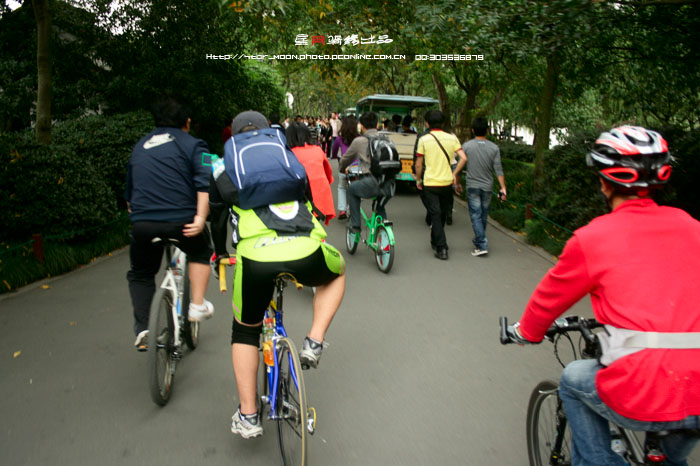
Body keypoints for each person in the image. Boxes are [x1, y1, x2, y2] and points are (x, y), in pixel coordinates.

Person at [508, 126, 700, 466]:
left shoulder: (592, 238)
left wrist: (526, 332)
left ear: (604, 182)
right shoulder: (692, 227)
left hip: (641, 388)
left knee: (573, 379)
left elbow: (547, 301)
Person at [209, 111, 346, 439]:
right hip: (305, 248)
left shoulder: (225, 167)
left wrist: (221, 255)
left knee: (245, 331)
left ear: (235, 137)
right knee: (337, 271)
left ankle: (249, 415)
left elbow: (217, 220)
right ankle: (313, 341)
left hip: (256, 257)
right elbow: (310, 204)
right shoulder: (287, 158)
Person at [125, 96, 214, 351]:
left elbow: (130, 196)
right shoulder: (197, 145)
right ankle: (196, 304)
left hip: (142, 224)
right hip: (181, 223)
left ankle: (143, 329)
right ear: (187, 121)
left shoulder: (140, 146)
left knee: (141, 273)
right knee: (201, 250)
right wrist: (200, 218)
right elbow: (204, 182)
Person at [414, 110, 467, 260]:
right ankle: (435, 240)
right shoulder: (452, 138)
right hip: (446, 183)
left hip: (430, 182)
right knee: (441, 214)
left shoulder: (424, 139)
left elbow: (419, 164)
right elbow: (463, 158)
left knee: (435, 214)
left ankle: (442, 247)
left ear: (427, 123)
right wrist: (454, 173)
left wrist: (418, 180)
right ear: (443, 123)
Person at [339, 111, 392, 233]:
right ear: (378, 124)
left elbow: (345, 160)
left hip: (371, 182)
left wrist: (342, 169)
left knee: (352, 190)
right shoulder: (387, 139)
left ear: (361, 126)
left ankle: (356, 225)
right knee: (380, 205)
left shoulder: (359, 141)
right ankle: (383, 230)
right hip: (390, 184)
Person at [462, 117, 507, 256]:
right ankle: (479, 241)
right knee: (483, 215)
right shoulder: (494, 148)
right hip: (488, 186)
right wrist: (503, 187)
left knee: (475, 215)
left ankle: (481, 244)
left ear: (473, 130)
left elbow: (460, 164)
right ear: (487, 130)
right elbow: (498, 169)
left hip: (472, 185)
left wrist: (456, 181)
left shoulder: (466, 146)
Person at [287, 122, 336, 224]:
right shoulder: (318, 150)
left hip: (299, 201)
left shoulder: (288, 154)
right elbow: (328, 175)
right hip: (319, 201)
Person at [332, 115, 360, 220]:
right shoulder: (360, 137)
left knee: (342, 187)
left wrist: (334, 156)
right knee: (356, 188)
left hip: (344, 167)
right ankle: (354, 209)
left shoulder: (340, 138)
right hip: (357, 168)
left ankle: (342, 209)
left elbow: (334, 151)